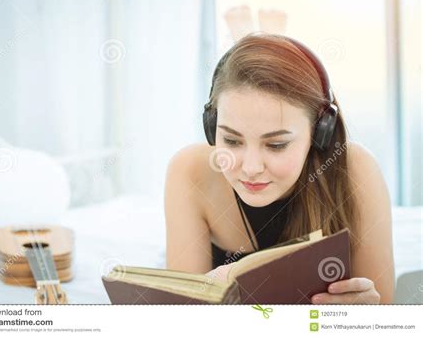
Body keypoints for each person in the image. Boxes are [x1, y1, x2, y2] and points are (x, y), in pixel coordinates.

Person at [164, 33, 394, 304]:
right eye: (231, 140)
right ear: (212, 127)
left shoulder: (355, 170)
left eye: (276, 145)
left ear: (319, 134)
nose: (250, 168)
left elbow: (384, 314)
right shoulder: (189, 171)